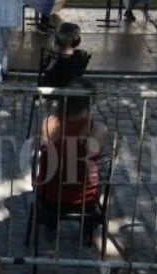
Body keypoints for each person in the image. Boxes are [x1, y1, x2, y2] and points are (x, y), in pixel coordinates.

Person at [35, 78, 111, 243]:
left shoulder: (48, 124)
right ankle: (87, 230)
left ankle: (50, 225)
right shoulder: (97, 129)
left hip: (50, 196)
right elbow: (93, 159)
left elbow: (44, 151)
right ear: (89, 102)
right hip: (84, 200)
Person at [38, 22, 90, 89]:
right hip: (65, 87)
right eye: (77, 36)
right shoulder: (78, 55)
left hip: (50, 86)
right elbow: (77, 75)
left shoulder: (51, 54)